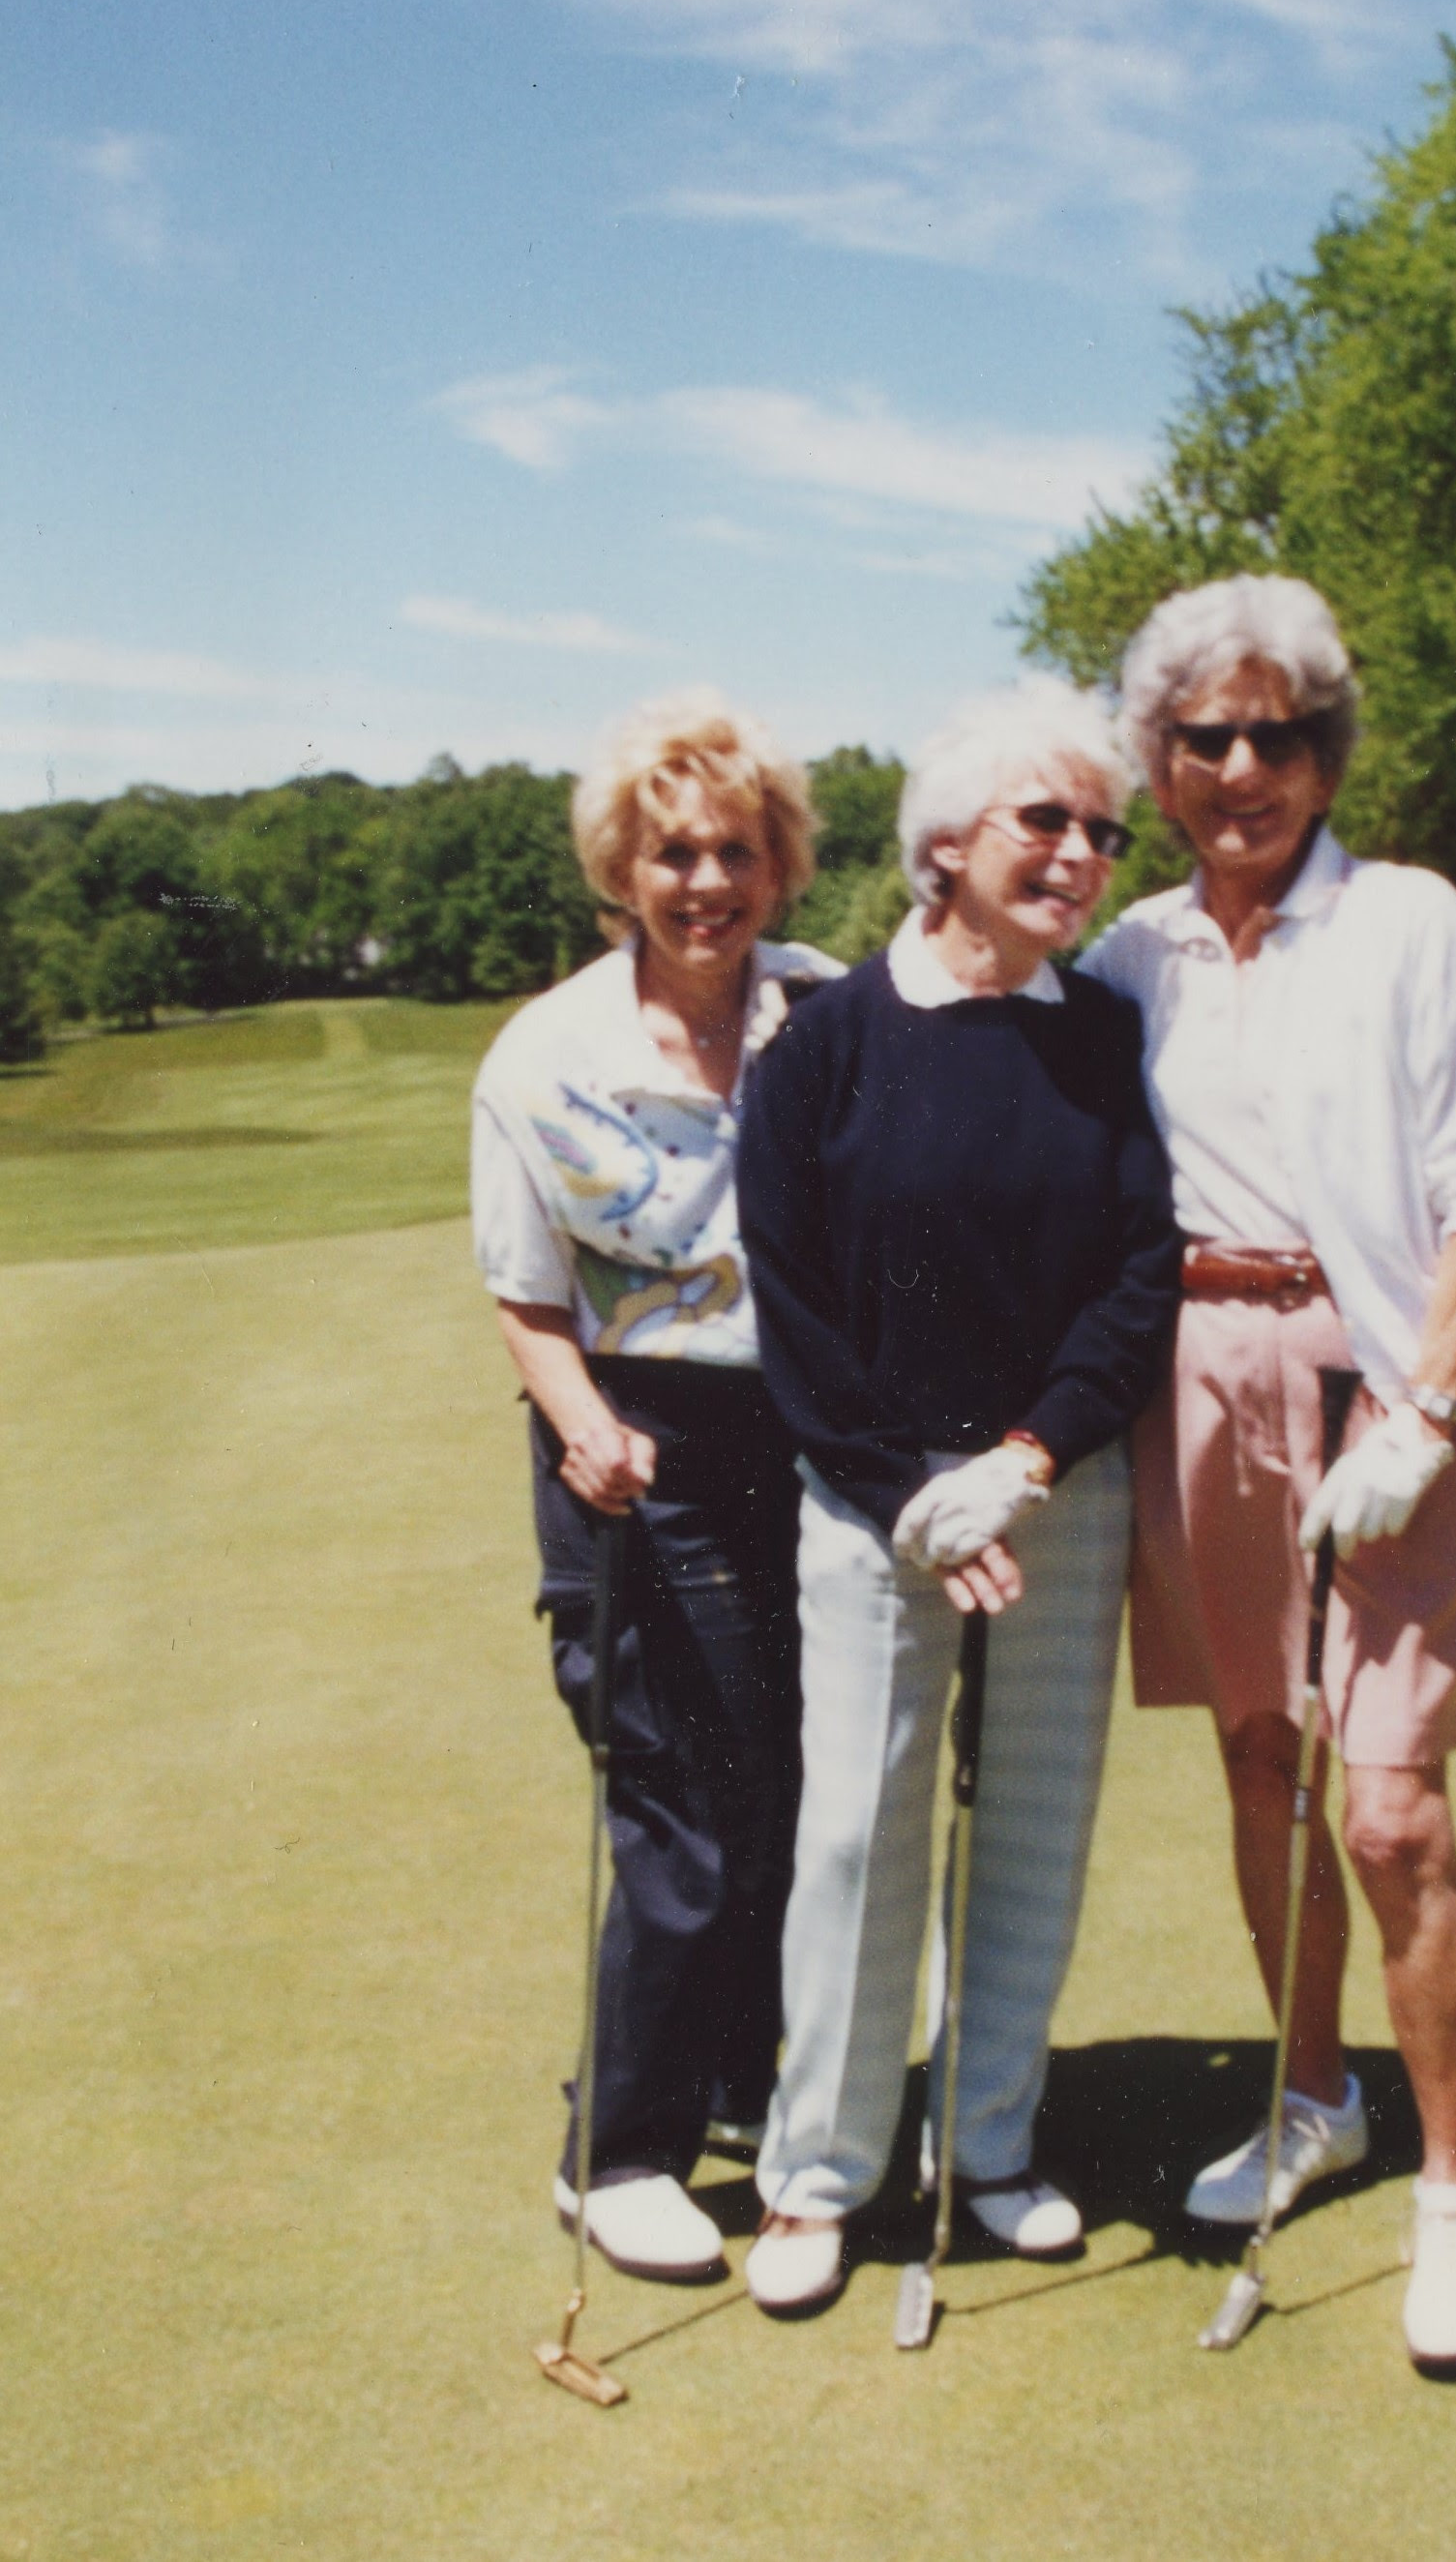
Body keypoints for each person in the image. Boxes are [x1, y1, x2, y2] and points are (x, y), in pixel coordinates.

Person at [1083, 575, 1456, 2373]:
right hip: (1200, 1382)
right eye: (1207, 738)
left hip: (1392, 1385)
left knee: (1385, 1806)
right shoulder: (1131, 953)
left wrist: (1417, 1411)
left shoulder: (1407, 919)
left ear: (1325, 747)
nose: (1247, 766)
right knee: (1262, 1766)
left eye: (1282, 733)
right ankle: (1312, 2096)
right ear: (1160, 761)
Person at [734, 677, 1181, 2315]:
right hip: (872, 1509)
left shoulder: (1102, 1035)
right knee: (857, 1833)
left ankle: (988, 2145)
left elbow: (1140, 1277)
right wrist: (917, 1491)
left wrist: (1023, 1463)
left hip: (1054, 1490)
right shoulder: (826, 1047)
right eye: (1044, 821)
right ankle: (819, 2176)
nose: (1080, 853)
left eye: (1102, 832)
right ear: (947, 842)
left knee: (1034, 1835)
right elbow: (793, 1305)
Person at [470, 690, 840, 2282]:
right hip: (632, 1448)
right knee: (684, 1798)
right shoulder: (550, 1050)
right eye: (673, 852)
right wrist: (581, 1424)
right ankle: (617, 2152)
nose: (706, 882)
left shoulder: (825, 1012)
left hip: (808, 1443)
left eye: (736, 851)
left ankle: (745, 2086)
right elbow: (527, 1294)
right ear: (623, 867)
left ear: (781, 866)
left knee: (792, 1781)